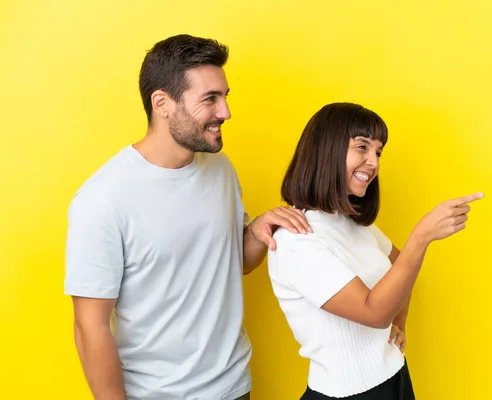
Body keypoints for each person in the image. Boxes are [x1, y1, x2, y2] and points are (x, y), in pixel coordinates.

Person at [63, 34, 310, 400]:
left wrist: (257, 232)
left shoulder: (221, 169)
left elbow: (232, 263)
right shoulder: (102, 199)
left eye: (225, 96)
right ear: (162, 103)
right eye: (210, 99)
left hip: (234, 386)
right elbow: (90, 325)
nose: (225, 112)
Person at [267, 102, 483, 399]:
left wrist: (401, 322)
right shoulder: (296, 240)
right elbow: (374, 312)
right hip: (349, 394)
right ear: (326, 149)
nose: (374, 163)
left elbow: (400, 273)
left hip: (394, 377)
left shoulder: (353, 224)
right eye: (362, 147)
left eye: (378, 152)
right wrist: (420, 238)